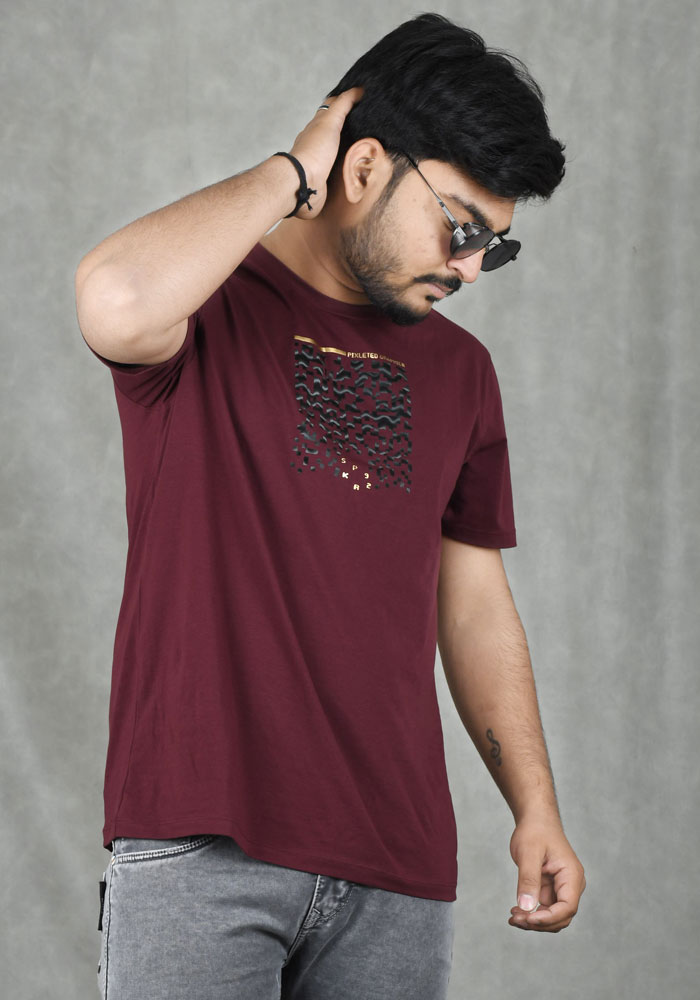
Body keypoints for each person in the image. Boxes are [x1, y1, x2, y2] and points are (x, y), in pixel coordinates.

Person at [75, 12, 585, 1000]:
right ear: (362, 168)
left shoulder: (463, 373)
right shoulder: (207, 307)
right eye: (460, 228)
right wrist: (291, 170)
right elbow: (117, 299)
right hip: (203, 845)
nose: (469, 268)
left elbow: (473, 604)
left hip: (395, 869)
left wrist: (534, 805)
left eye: (496, 248)